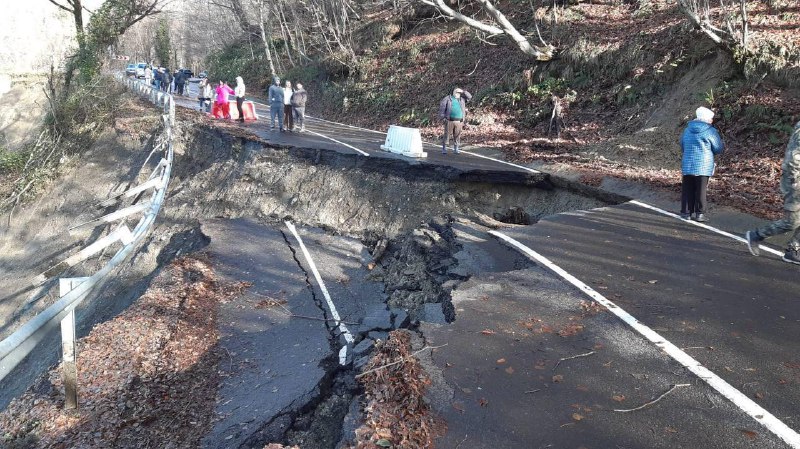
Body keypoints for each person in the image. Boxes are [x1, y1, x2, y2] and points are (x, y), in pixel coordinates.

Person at [745, 121, 800, 265]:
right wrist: (794, 180)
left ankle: (793, 249)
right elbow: (793, 156)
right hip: (795, 179)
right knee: (792, 221)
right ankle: (756, 235)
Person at [679, 106, 725, 222]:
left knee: (687, 188)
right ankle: (700, 213)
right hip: (704, 165)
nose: (712, 121)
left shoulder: (687, 130)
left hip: (687, 163)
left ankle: (686, 212)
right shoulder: (710, 131)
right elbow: (718, 148)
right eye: (711, 119)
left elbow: (682, 144)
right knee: (701, 189)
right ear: (707, 119)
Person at [438, 87, 472, 155]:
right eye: (457, 92)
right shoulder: (448, 99)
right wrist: (443, 117)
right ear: (454, 92)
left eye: (459, 93)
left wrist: (464, 91)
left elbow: (470, 97)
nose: (458, 94)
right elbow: (442, 108)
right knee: (447, 135)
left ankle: (456, 148)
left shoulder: (462, 99)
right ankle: (444, 148)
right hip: (449, 120)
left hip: (459, 121)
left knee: (457, 135)